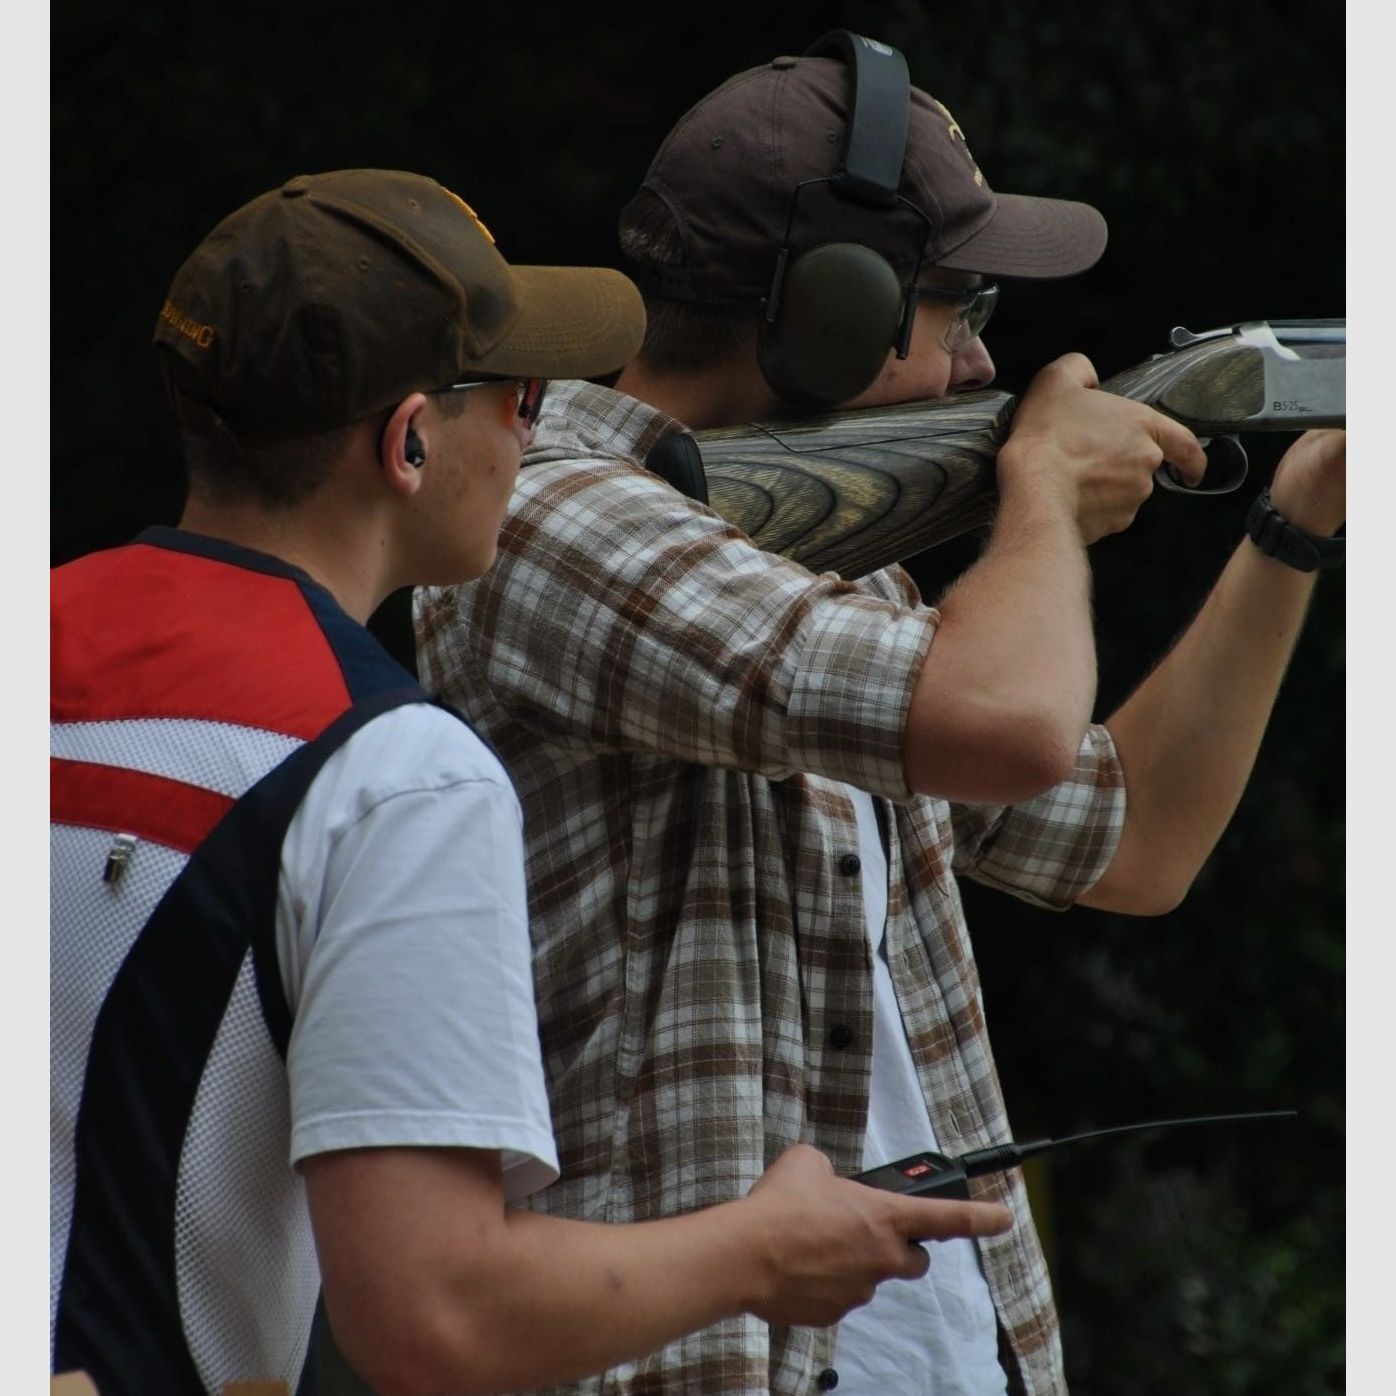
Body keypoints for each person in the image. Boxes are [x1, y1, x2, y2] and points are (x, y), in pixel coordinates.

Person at [412, 32, 1346, 1396]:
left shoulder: (835, 584)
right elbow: (1008, 720)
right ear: (829, 315)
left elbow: (1135, 837)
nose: (983, 365)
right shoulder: (548, 521)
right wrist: (1040, 500)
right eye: (958, 307)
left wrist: (1300, 519)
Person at [49, 167, 1017, 1396]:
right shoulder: (388, 773)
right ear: (408, 441)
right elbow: (433, 1318)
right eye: (518, 395)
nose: (542, 423)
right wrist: (764, 1250)